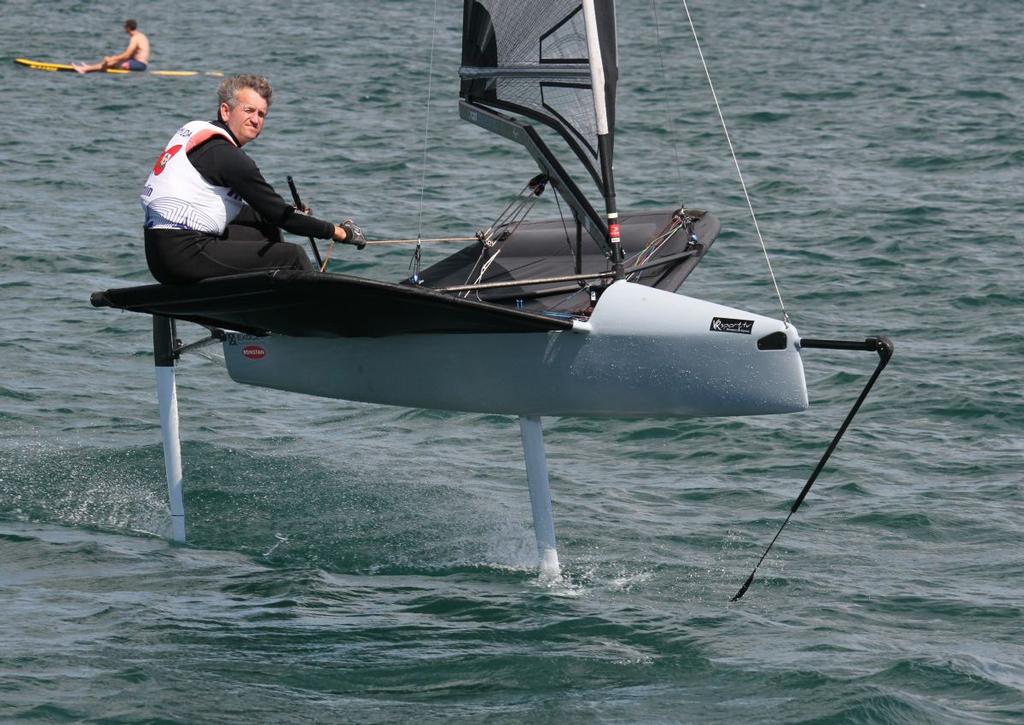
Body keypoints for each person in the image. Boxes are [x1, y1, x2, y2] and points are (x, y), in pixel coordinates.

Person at [140, 74, 365, 285]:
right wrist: (340, 232)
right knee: (291, 256)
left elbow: (261, 214)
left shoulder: (197, 132)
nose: (255, 119)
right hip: (183, 255)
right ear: (226, 111)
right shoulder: (228, 156)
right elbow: (281, 216)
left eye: (261, 114)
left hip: (161, 252)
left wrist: (283, 215)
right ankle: (320, 318)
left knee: (265, 232)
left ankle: (267, 309)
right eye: (249, 110)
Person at [74, 19, 150, 73]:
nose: (124, 28)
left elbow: (127, 55)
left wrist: (112, 59)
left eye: (125, 27)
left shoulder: (135, 38)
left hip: (139, 65)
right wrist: (114, 58)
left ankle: (85, 69)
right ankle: (89, 67)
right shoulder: (141, 35)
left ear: (128, 28)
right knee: (113, 61)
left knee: (113, 62)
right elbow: (130, 56)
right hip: (137, 63)